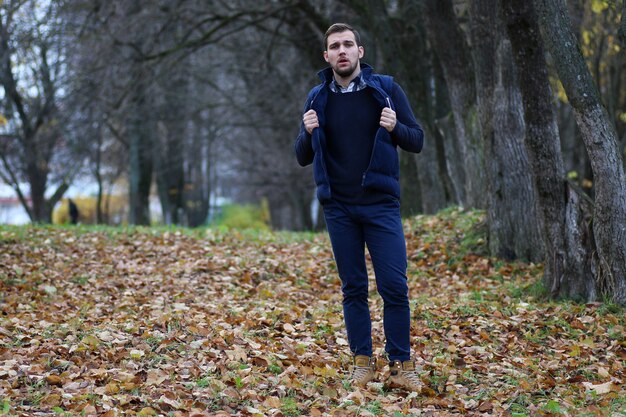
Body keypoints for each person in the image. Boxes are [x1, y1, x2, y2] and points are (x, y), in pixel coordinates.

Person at [294, 23, 424, 391]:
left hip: (381, 205)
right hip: (340, 208)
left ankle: (402, 366)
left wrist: (396, 125)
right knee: (353, 288)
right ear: (326, 56)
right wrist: (306, 131)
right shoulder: (317, 98)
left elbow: (416, 140)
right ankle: (362, 364)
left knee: (394, 287)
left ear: (360, 52)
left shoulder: (386, 89)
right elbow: (302, 156)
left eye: (348, 44)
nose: (342, 51)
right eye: (335, 46)